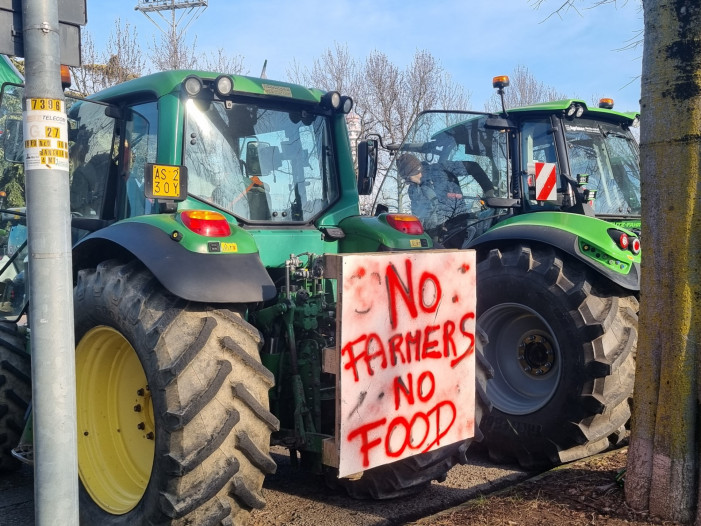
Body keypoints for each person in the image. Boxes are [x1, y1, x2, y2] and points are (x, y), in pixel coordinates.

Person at [396, 153, 468, 231]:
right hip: (436, 233)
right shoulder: (413, 191)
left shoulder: (440, 169)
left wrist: (483, 187)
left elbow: (472, 167)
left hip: (459, 223)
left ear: (413, 172)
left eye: (406, 178)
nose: (406, 182)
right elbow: (418, 215)